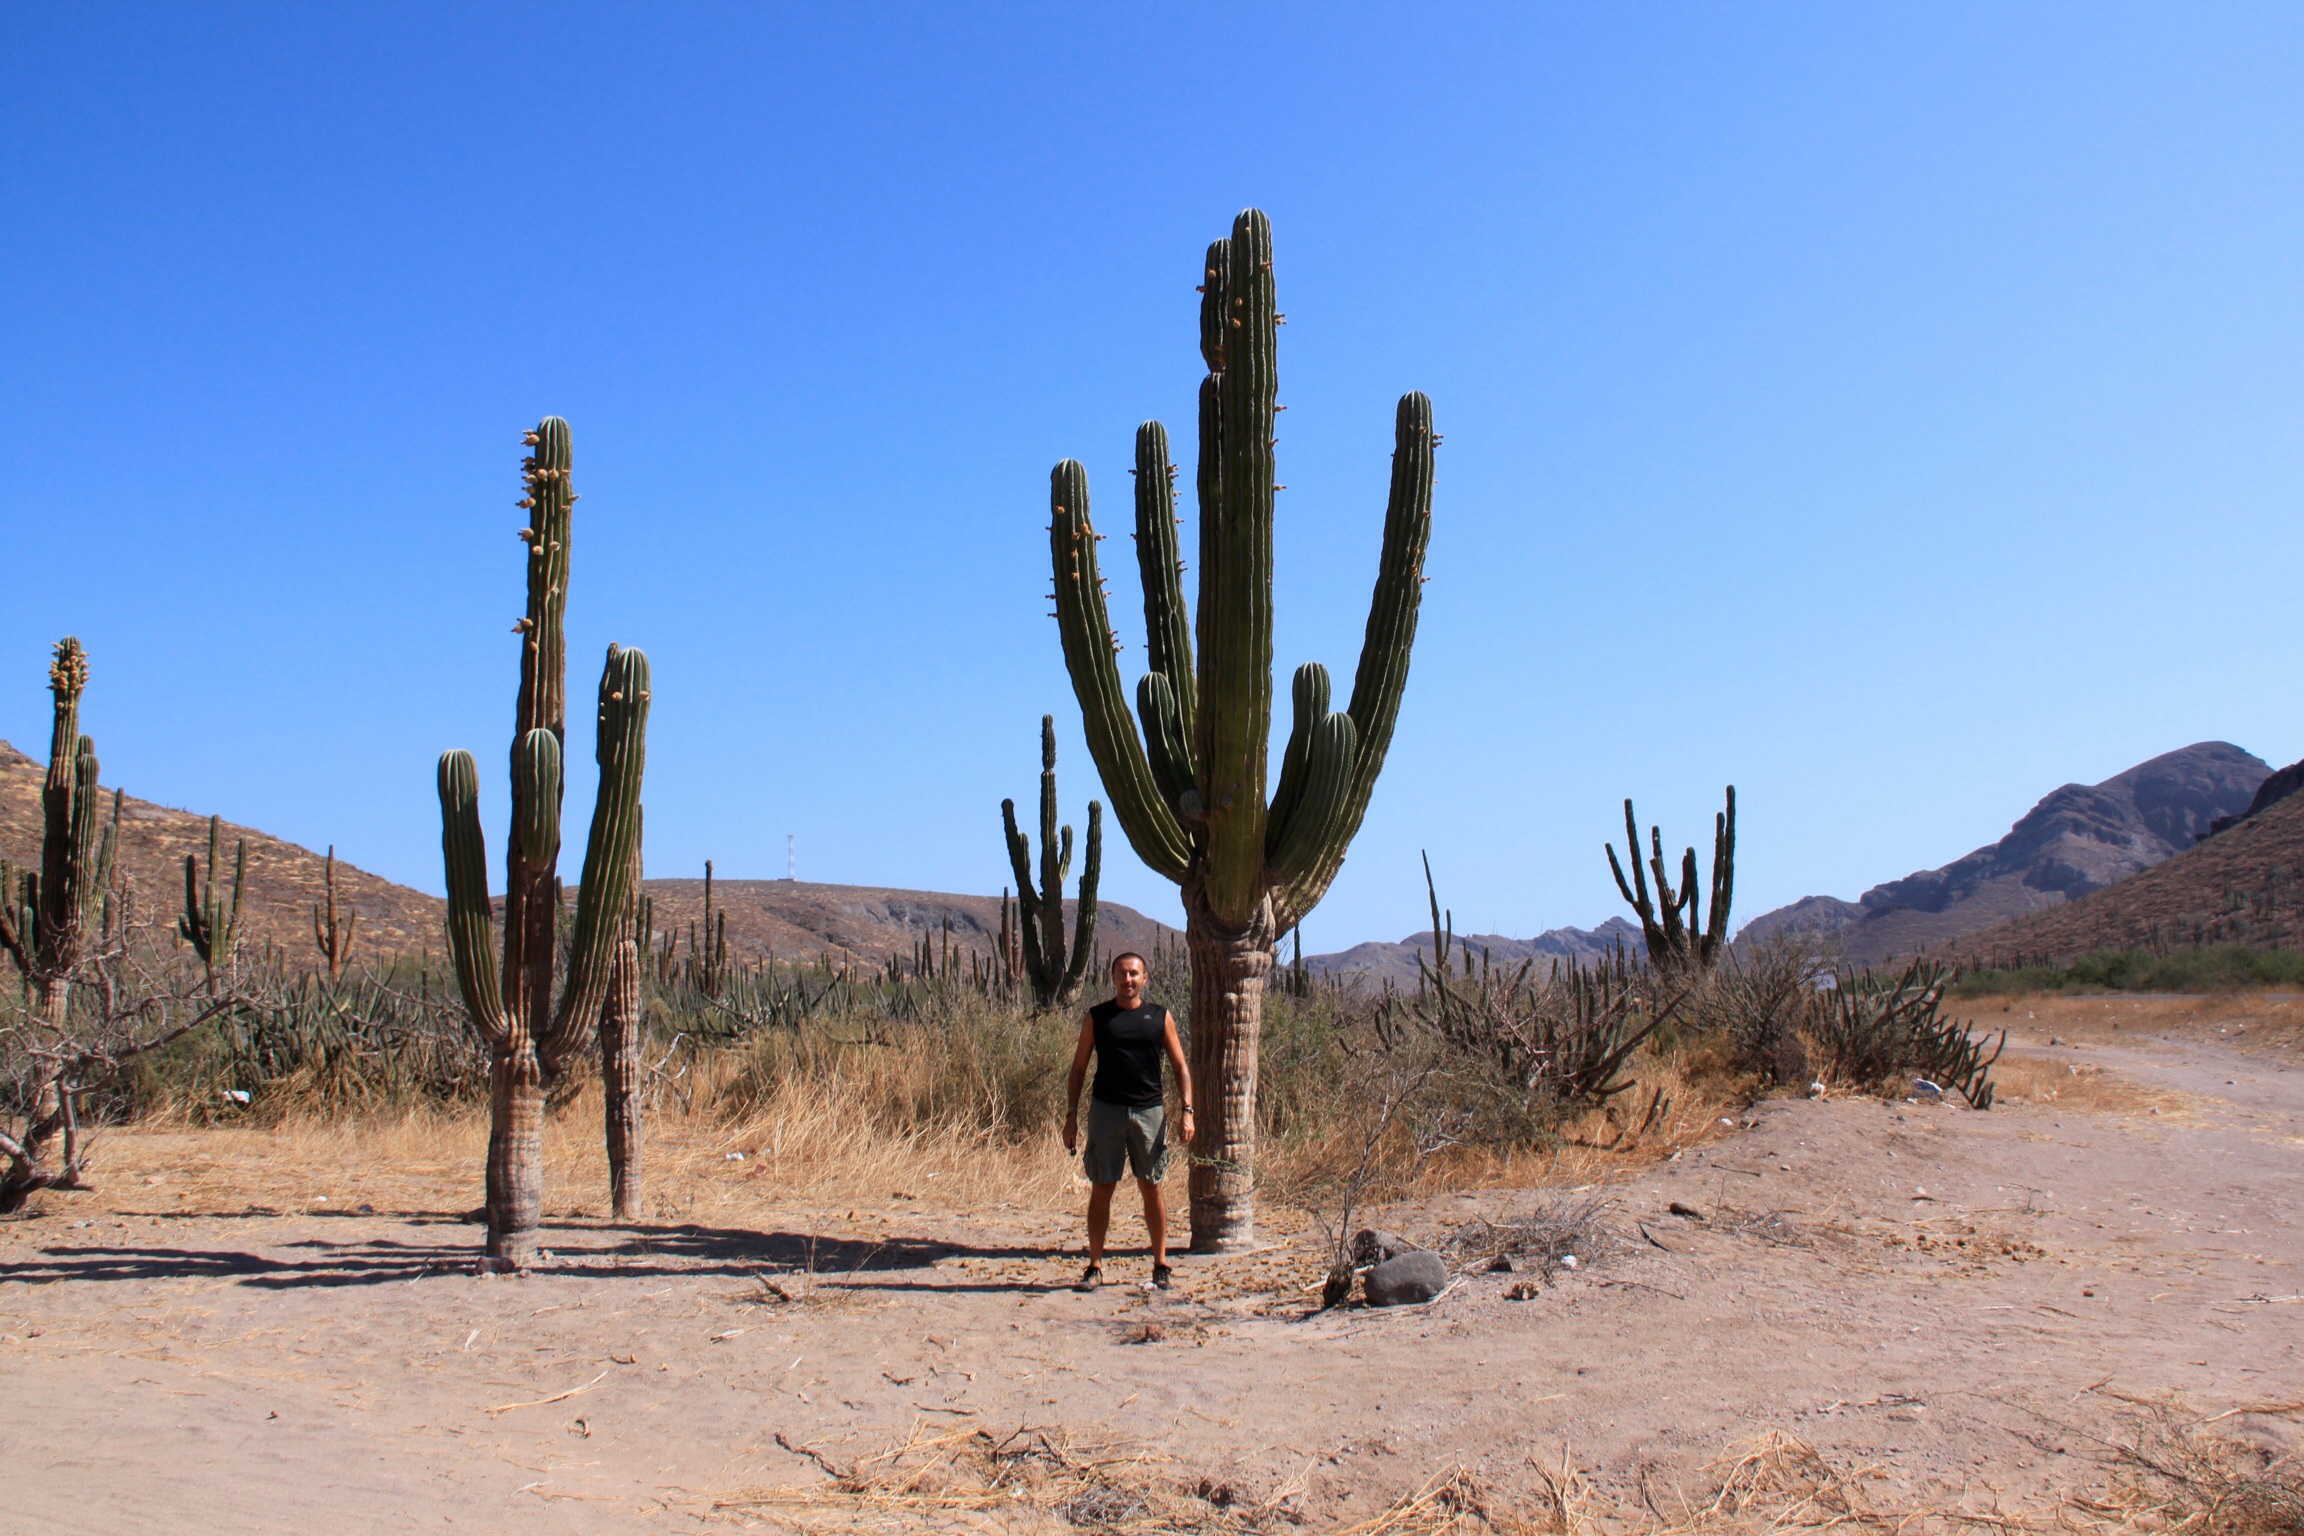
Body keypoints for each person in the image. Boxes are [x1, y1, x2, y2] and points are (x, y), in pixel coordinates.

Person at [1062, 951, 1193, 1291]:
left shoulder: (1159, 1017)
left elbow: (1180, 1066)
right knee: (1102, 1186)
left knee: (1151, 1185)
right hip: (1107, 1109)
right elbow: (1078, 1067)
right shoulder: (1098, 1017)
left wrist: (1187, 1111)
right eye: (1122, 974)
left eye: (1134, 974)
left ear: (1144, 979)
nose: (1128, 980)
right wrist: (1071, 1114)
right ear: (1112, 978)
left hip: (1149, 1111)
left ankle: (1161, 1263)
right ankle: (1094, 1266)